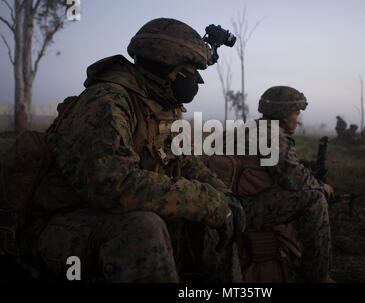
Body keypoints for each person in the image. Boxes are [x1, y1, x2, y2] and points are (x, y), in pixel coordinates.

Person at [11, 18, 245, 282]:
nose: (196, 79)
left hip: (109, 215)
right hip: (61, 225)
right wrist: (207, 201)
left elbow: (184, 161)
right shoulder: (107, 101)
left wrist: (223, 197)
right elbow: (115, 185)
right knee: (141, 228)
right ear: (166, 65)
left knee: (214, 220)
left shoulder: (161, 104)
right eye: (190, 68)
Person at [206, 86, 334, 282]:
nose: (298, 121)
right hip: (241, 209)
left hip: (227, 202)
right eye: (296, 113)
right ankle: (317, 276)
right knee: (314, 199)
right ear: (283, 113)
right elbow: (293, 179)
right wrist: (320, 186)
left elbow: (268, 165)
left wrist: (307, 167)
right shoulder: (272, 135)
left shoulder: (252, 127)